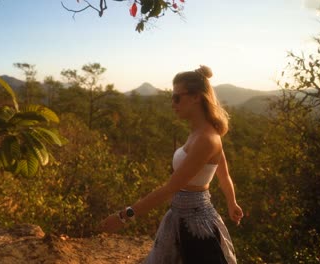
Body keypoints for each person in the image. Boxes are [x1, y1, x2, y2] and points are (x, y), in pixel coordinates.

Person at [97, 65, 243, 264]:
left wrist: (123, 217)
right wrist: (231, 202)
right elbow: (223, 175)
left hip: (197, 224)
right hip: (179, 217)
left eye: (176, 97)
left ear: (196, 97)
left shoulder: (207, 139)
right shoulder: (200, 133)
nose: (173, 104)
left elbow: (170, 188)